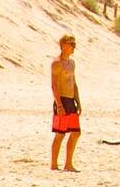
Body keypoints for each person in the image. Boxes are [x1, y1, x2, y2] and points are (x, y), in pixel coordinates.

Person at [49, 35, 82, 172]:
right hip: (61, 100)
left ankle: (68, 164)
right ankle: (54, 164)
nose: (73, 47)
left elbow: (74, 83)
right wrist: (59, 105)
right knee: (60, 134)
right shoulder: (57, 63)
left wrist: (78, 101)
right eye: (71, 44)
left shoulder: (72, 63)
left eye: (74, 44)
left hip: (70, 100)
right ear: (63, 45)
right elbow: (54, 86)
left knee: (75, 132)